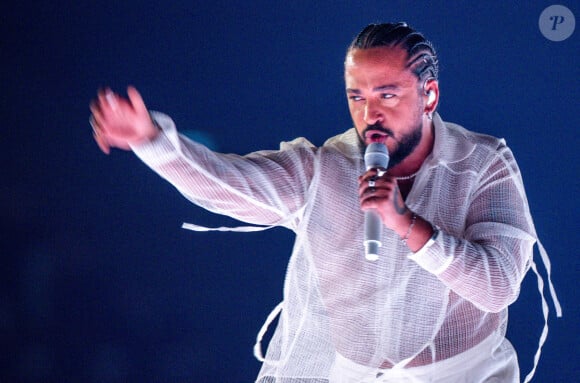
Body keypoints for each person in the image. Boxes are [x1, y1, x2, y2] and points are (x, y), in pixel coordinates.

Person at [90, 22, 560, 383]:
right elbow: (231, 184)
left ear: (429, 95)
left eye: (388, 95)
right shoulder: (324, 167)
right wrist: (153, 141)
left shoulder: (483, 163)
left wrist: (405, 224)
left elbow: (499, 285)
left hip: (461, 374)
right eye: (356, 97)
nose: (369, 115)